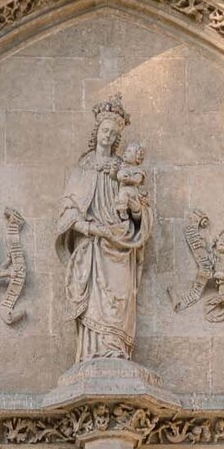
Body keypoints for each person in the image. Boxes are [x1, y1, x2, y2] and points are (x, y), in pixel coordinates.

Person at [54, 93, 152, 363]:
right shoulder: (82, 169)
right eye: (105, 130)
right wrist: (90, 228)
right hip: (93, 244)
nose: (108, 136)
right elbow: (68, 212)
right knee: (95, 299)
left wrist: (134, 212)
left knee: (119, 298)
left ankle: (116, 349)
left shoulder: (124, 170)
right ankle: (92, 352)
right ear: (97, 132)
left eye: (113, 133)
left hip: (120, 244)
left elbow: (141, 210)